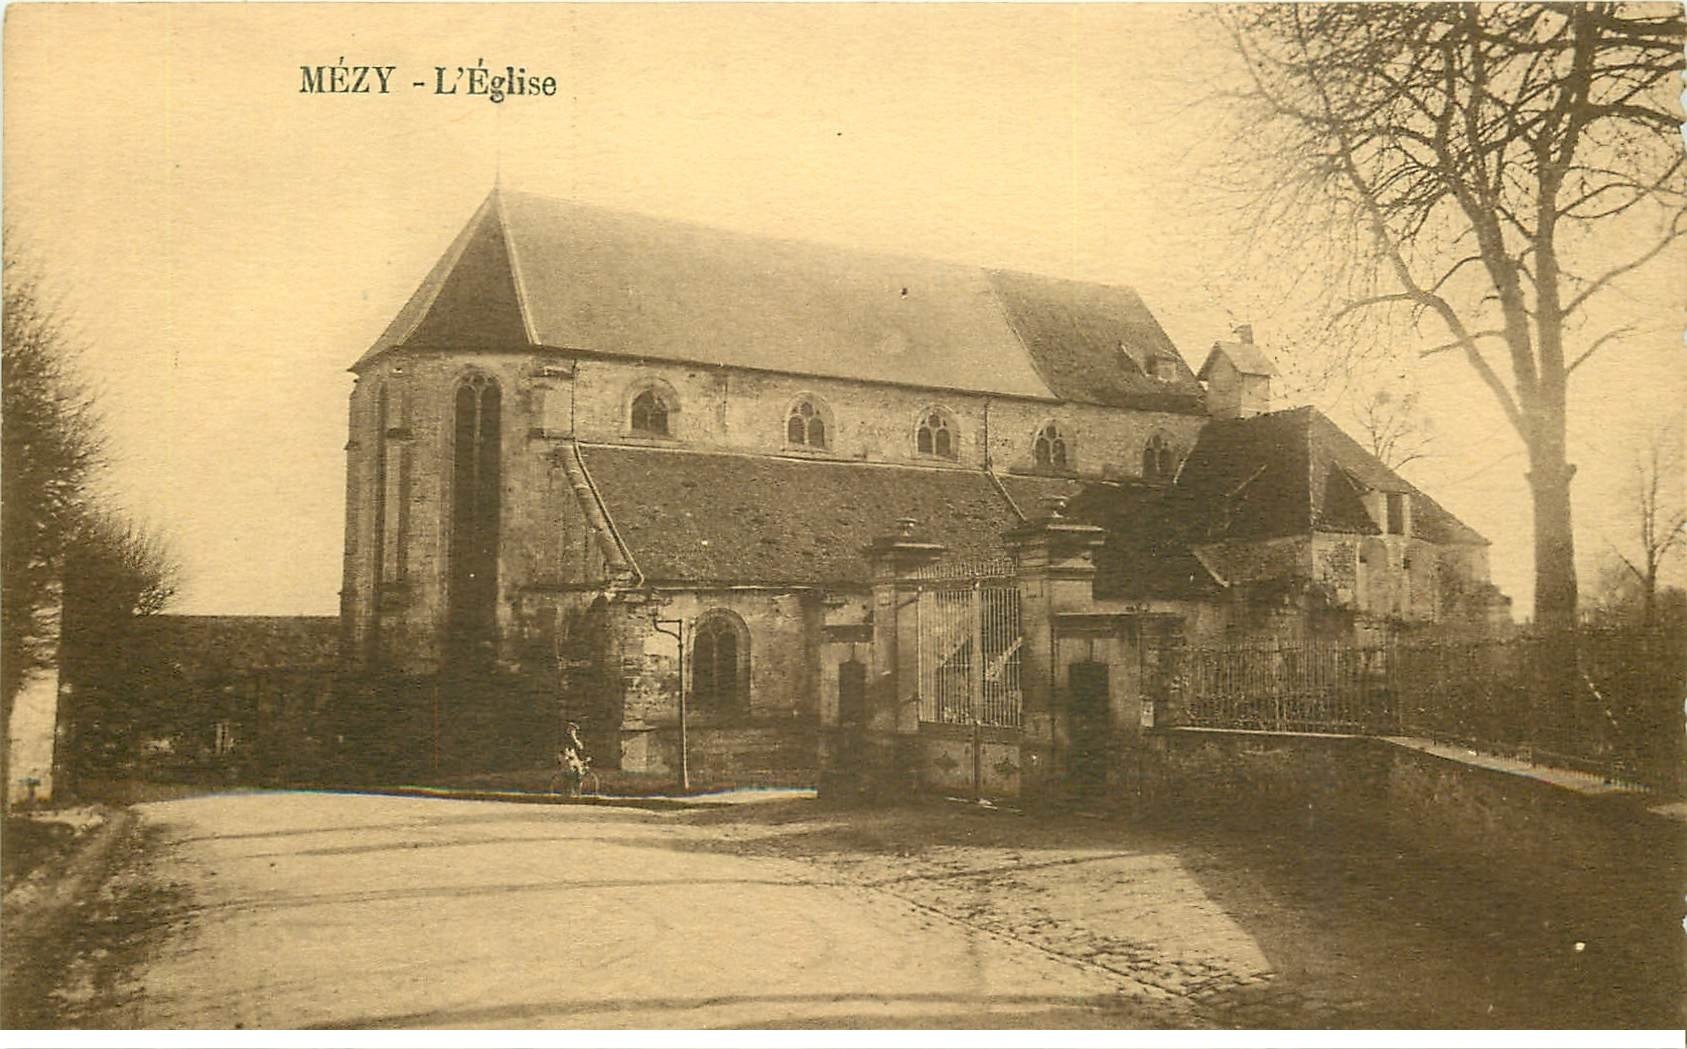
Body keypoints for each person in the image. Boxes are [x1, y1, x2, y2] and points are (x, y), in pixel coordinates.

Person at [557, 721, 590, 797]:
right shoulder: (564, 738)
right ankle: (568, 791)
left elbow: (579, 748)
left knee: (579, 771)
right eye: (572, 730)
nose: (573, 732)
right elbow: (564, 749)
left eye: (574, 730)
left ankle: (577, 792)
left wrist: (584, 759)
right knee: (570, 772)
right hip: (565, 756)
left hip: (572, 756)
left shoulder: (574, 739)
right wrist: (568, 756)